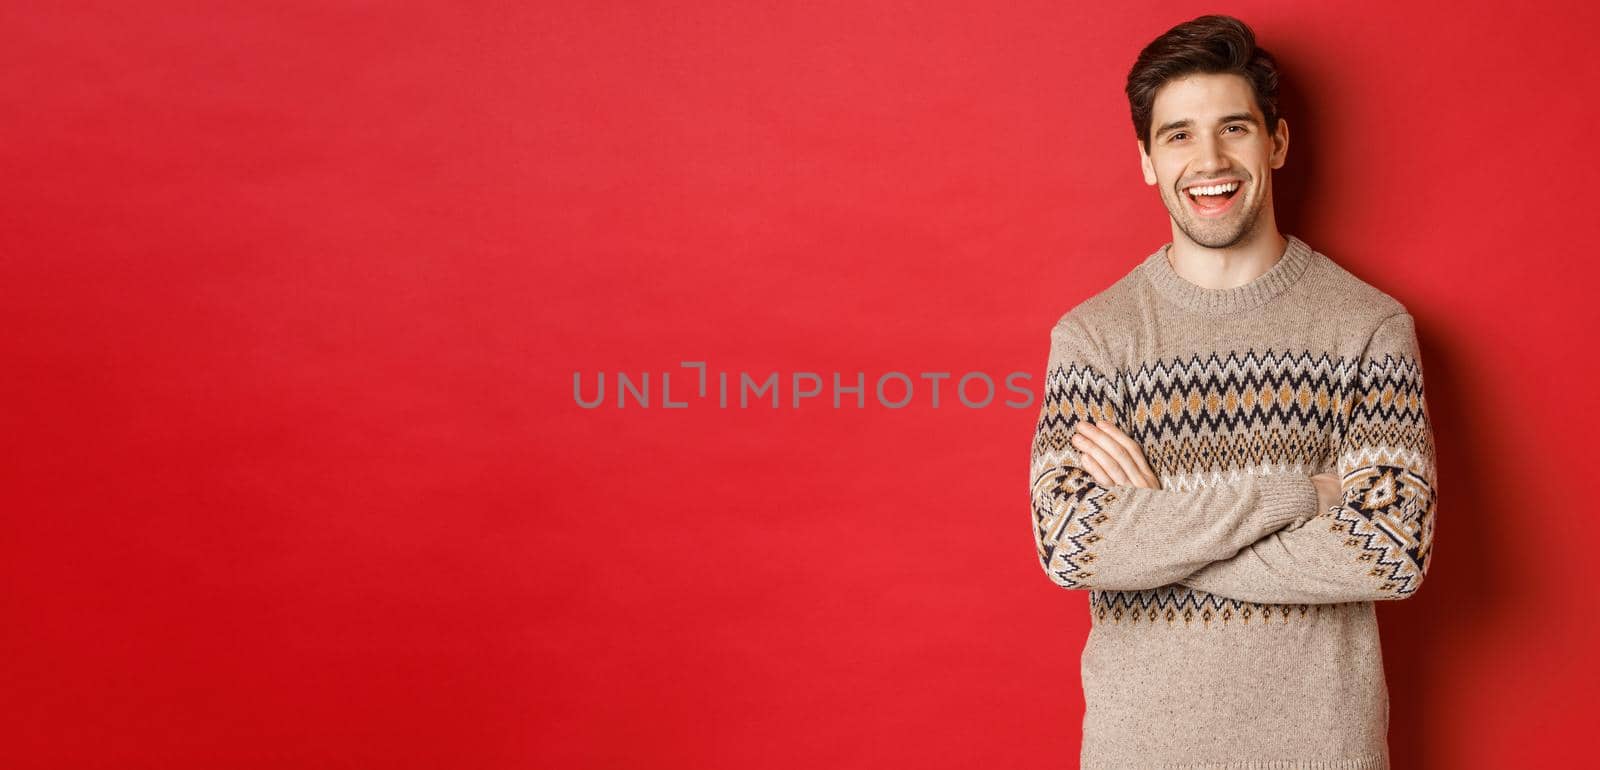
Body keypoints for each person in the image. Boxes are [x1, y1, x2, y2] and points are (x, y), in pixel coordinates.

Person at [1028, 14, 1438, 769]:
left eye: (1234, 128)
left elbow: (1389, 551)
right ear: (1147, 160)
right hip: (1138, 752)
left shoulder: (1370, 329)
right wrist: (1299, 498)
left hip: (1323, 752)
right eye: (1178, 134)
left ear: (1275, 142)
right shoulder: (1093, 339)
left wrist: (1160, 527)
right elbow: (1070, 546)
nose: (1208, 159)